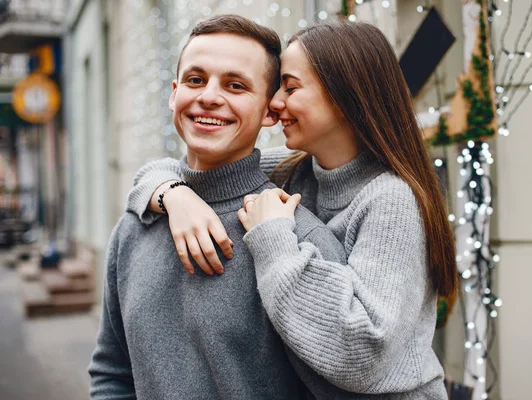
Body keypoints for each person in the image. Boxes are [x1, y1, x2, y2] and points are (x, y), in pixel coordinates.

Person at [127, 21, 458, 398]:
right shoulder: (296, 169)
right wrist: (174, 195)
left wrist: (272, 240)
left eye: (291, 87)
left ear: (346, 99)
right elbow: (198, 173)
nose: (275, 102)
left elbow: (362, 353)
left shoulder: (391, 200)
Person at [88, 15, 348, 399]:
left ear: (269, 111)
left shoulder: (301, 240)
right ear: (174, 94)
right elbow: (112, 373)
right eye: (195, 80)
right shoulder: (134, 226)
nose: (209, 96)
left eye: (235, 85)